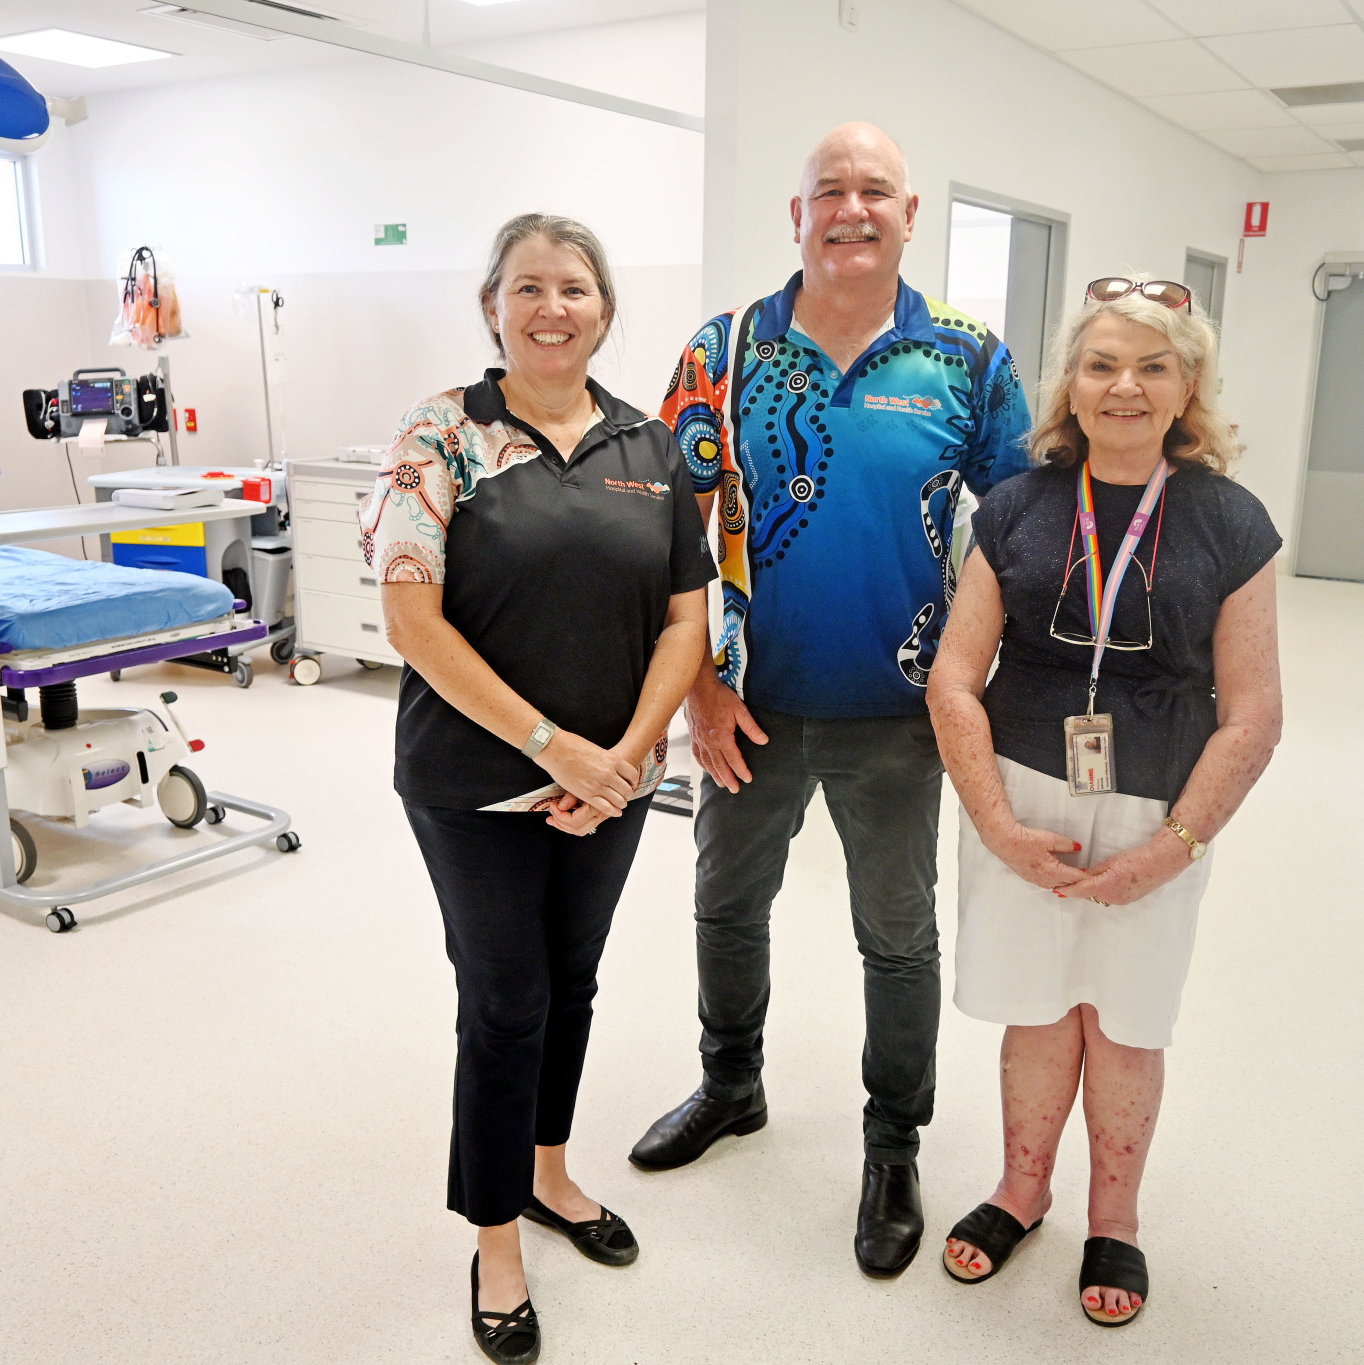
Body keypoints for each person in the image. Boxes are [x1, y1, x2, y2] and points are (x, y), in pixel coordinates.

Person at [634, 122, 1032, 1278]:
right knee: (724, 904)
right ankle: (729, 1084)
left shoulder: (966, 357)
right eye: (828, 191)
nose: (850, 209)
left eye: (874, 191)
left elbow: (1016, 534)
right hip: (747, 703)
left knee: (896, 940)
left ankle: (892, 1143)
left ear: (910, 214)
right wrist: (699, 681)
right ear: (795, 216)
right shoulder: (725, 347)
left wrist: (967, 686)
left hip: (898, 713)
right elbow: (667, 528)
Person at [364, 213, 716, 1364]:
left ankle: (552, 1174)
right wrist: (551, 745)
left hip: (612, 782)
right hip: (473, 781)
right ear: (491, 307)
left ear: (604, 309)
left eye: (573, 287)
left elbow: (683, 617)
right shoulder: (443, 435)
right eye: (527, 287)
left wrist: (620, 755)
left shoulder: (648, 447)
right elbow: (410, 619)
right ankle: (495, 1235)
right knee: (505, 999)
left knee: (571, 981)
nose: (551, 306)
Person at [926, 277, 1283, 1324]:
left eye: (1151, 365)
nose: (1123, 385)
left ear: (1186, 389)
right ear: (1068, 388)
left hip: (1156, 811)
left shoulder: (1229, 521)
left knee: (1123, 1025)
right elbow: (954, 677)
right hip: (1022, 799)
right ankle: (1020, 1189)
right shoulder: (1015, 507)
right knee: (1036, 1013)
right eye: (1099, 364)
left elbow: (1254, 712)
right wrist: (993, 822)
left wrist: (1174, 845)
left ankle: (1113, 1218)